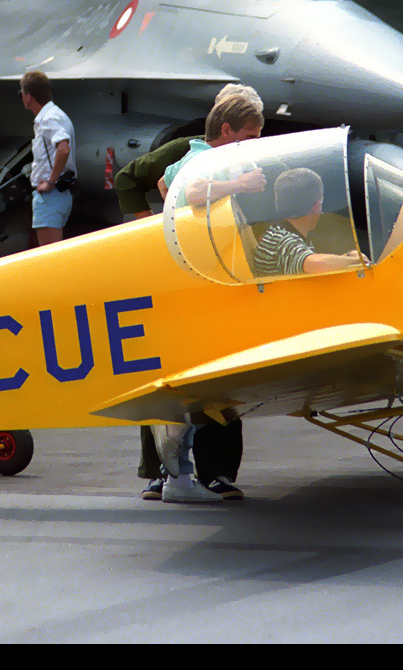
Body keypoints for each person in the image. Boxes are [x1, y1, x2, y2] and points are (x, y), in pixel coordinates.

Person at [142, 90, 266, 503]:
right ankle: (206, 472)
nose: (254, 145)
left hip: (199, 281)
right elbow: (192, 192)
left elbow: (165, 183)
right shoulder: (203, 161)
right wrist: (240, 184)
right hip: (203, 287)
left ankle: (171, 470)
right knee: (221, 380)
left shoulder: (198, 158)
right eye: (249, 136)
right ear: (227, 131)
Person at [113, 84, 264, 221]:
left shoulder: (231, 153)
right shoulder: (189, 150)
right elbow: (128, 178)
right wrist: (157, 224)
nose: (254, 141)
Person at [253, 168, 366, 276]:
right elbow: (317, 264)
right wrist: (357, 261)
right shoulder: (282, 240)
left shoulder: (279, 235)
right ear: (316, 206)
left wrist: (348, 256)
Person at [19, 70, 76, 245]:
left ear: (28, 96)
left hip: (51, 195)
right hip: (58, 194)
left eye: (22, 93)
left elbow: (63, 149)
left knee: (49, 255)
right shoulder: (54, 115)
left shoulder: (48, 119)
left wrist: (50, 181)